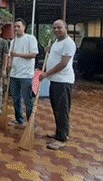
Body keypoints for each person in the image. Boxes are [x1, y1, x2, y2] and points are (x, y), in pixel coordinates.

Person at [39, 19, 76, 150]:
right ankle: (59, 132)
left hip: (63, 81)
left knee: (62, 110)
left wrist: (47, 73)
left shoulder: (68, 43)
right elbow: (55, 56)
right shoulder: (57, 41)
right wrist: (48, 49)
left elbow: (63, 64)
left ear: (65, 27)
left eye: (59, 27)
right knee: (56, 108)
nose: (56, 30)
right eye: (54, 28)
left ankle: (62, 138)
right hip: (55, 81)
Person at [7, 18, 38, 128]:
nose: (16, 28)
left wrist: (18, 54)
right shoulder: (13, 41)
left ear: (24, 27)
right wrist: (9, 67)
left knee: (27, 100)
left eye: (18, 26)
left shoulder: (30, 39)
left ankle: (31, 123)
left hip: (26, 75)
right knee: (15, 99)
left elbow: (33, 55)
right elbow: (10, 56)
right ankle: (19, 119)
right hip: (14, 74)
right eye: (15, 26)